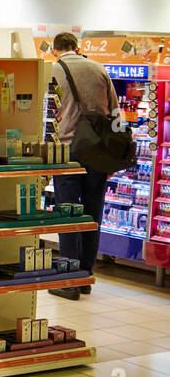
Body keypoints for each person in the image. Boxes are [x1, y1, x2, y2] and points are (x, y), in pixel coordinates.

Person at [50, 32, 119, 300]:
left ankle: (68, 279)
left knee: (68, 213)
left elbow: (48, 113)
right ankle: (85, 276)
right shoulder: (99, 68)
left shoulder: (53, 70)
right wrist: (110, 150)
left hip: (67, 150)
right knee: (92, 214)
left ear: (55, 50)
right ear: (77, 48)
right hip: (97, 152)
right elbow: (115, 113)